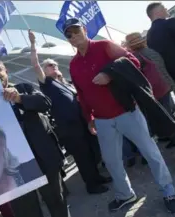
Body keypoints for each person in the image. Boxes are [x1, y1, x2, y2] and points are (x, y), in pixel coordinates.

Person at [63, 17, 175, 213]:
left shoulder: (104, 46)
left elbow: (133, 60)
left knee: (150, 152)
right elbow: (81, 95)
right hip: (101, 120)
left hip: (127, 112)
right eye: (68, 34)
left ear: (84, 29)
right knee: (112, 161)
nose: (73, 36)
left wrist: (110, 73)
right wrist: (89, 118)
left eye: (75, 30)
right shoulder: (74, 64)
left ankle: (168, 191)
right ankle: (125, 194)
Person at [0, 58, 70, 217]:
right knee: (27, 212)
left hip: (43, 158)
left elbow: (45, 102)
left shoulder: (23, 88)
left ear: (6, 72)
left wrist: (19, 98)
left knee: (57, 202)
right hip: (11, 169)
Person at [28, 29, 112, 194]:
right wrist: (32, 44)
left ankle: (97, 177)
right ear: (44, 71)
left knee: (90, 152)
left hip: (81, 123)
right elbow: (35, 65)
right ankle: (92, 185)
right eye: (50, 66)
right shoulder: (46, 84)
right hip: (69, 129)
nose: (54, 67)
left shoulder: (64, 83)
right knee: (82, 157)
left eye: (55, 65)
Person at [124, 32, 175, 171]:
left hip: (155, 93)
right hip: (164, 89)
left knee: (169, 125)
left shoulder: (136, 57)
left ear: (130, 45)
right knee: (171, 122)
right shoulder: (150, 51)